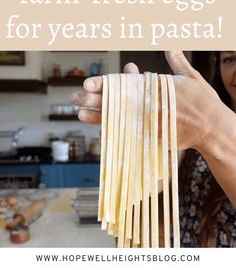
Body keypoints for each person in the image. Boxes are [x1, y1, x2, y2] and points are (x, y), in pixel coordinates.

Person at [71, 51, 236, 247]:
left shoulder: (204, 120)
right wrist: (144, 163)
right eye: (230, 59)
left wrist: (215, 128)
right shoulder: (188, 125)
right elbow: (157, 184)